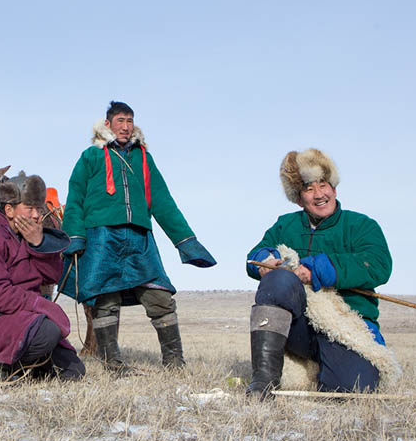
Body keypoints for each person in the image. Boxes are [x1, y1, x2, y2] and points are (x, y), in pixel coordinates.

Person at [60, 101, 216, 374]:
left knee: (159, 295)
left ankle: (175, 363)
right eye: (120, 120)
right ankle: (112, 364)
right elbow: (75, 198)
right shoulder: (91, 157)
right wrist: (75, 236)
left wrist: (187, 242)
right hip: (102, 237)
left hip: (139, 237)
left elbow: (163, 201)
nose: (126, 126)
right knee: (104, 298)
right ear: (107, 124)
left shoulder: (144, 157)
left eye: (130, 120)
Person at [245, 148, 396, 398]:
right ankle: (263, 383)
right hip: (301, 329)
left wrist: (313, 269)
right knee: (279, 279)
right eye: (308, 188)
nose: (318, 195)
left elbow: (378, 264)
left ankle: (330, 367)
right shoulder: (285, 225)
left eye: (323, 185)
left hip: (347, 326)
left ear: (333, 188)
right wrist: (263, 261)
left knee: (354, 389)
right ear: (298, 197)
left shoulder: (361, 226)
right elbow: (255, 255)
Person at [0, 174, 85, 381]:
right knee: (48, 332)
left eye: (39, 208)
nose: (37, 216)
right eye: (29, 208)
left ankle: (29, 367)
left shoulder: (28, 235)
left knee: (74, 372)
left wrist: (39, 245)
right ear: (9, 210)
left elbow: (51, 276)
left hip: (26, 315)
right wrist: (43, 306)